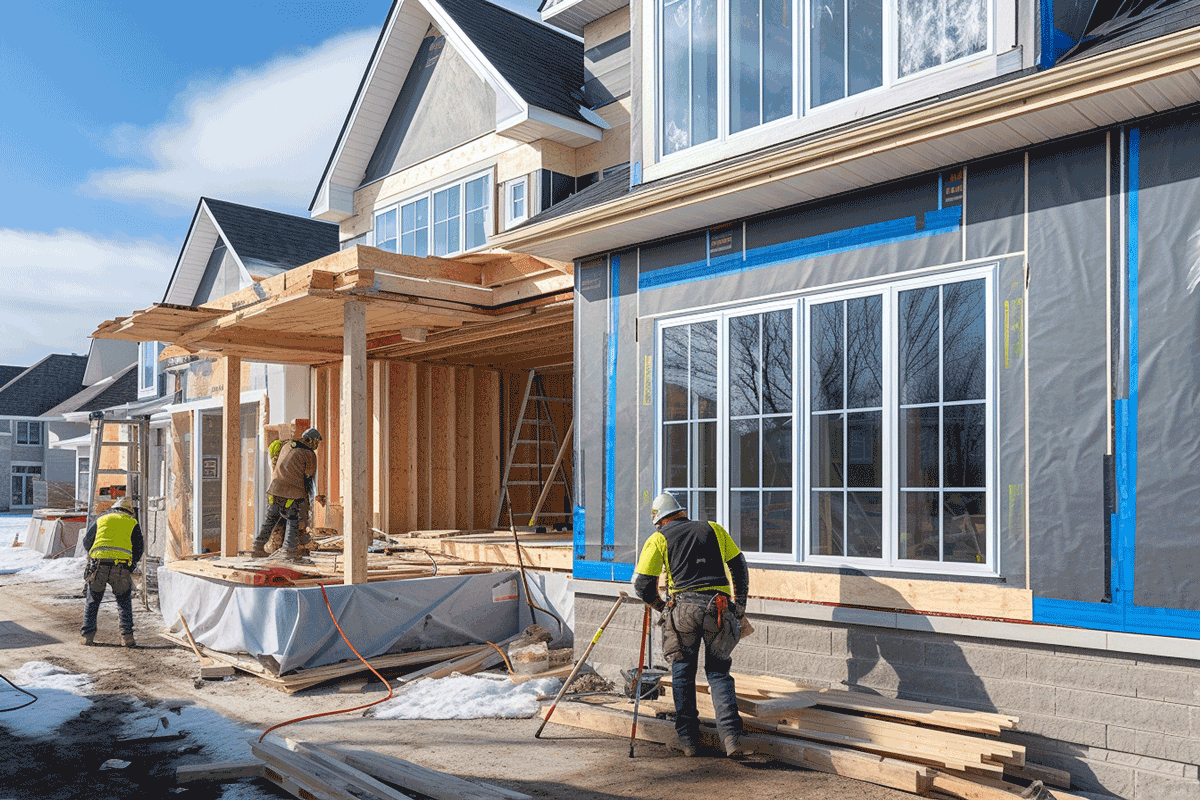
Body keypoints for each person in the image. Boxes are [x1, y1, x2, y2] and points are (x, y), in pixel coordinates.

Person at [633, 492, 751, 758]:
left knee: (683, 672)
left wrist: (663, 606)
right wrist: (739, 606)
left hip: (683, 610)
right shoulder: (714, 529)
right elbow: (739, 567)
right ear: (681, 512)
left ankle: (688, 740)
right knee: (719, 672)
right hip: (719, 608)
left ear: (659, 521)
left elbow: (641, 585)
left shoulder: (659, 538)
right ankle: (732, 739)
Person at [80, 495, 143, 647]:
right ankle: (127, 637)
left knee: (93, 600)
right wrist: (131, 565)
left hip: (98, 565)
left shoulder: (101, 519)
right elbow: (139, 548)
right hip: (121, 567)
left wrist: (95, 555)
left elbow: (87, 542)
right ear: (129, 511)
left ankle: (88, 636)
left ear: (114, 508)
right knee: (123, 601)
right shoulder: (132, 522)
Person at [250, 428, 322, 561]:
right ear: (310, 440)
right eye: (316, 441)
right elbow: (309, 477)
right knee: (293, 519)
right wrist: (310, 498)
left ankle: (257, 547)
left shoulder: (288, 445)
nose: (317, 445)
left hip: (274, 489)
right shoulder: (309, 454)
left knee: (270, 519)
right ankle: (289, 549)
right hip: (292, 492)